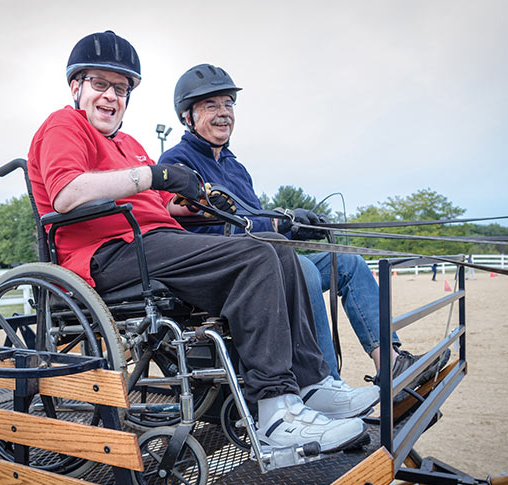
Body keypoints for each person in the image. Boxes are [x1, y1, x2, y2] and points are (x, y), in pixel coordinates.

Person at [26, 32, 379, 453]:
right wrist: (154, 175)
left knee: (272, 245)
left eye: (120, 89)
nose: (110, 97)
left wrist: (205, 201)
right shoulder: (63, 125)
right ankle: (275, 413)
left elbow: (167, 205)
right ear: (76, 87)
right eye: (100, 85)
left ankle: (313, 385)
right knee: (255, 258)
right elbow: (66, 194)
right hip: (108, 253)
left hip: (157, 241)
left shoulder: (130, 144)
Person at [160, 63, 448, 390]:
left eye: (228, 103)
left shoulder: (235, 166)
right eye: (211, 105)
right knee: (304, 270)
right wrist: (275, 222)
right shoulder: (176, 163)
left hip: (264, 259)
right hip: (220, 271)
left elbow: (254, 215)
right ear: (187, 117)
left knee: (348, 263)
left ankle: (391, 364)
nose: (223, 113)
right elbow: (208, 225)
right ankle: (325, 385)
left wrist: (295, 226)